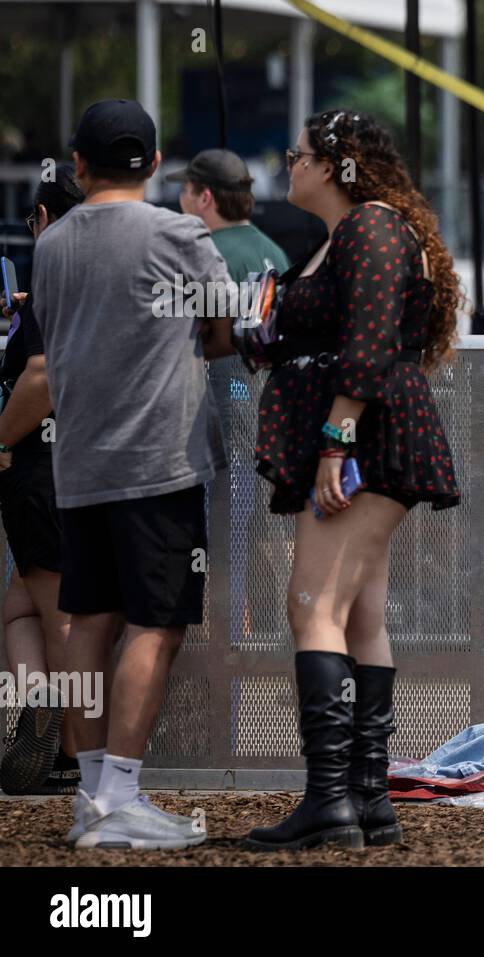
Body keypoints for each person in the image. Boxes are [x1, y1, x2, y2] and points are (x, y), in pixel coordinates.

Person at [242, 109, 461, 851]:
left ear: (335, 164)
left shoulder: (369, 227)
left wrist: (336, 443)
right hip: (369, 437)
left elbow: (367, 346)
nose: (288, 166)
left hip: (361, 441)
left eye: (296, 155)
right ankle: (366, 799)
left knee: (313, 607)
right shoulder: (357, 231)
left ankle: (329, 800)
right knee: (360, 612)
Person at [28, 99, 236, 849]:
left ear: (78, 166)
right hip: (160, 464)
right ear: (152, 165)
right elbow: (222, 331)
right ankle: (118, 799)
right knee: (158, 621)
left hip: (78, 463)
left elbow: (49, 340)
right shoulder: (180, 233)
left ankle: (93, 796)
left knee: (88, 622)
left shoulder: (49, 246)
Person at [167, 148, 290, 643]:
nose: (178, 198)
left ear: (206, 196)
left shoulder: (199, 250)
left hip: (212, 425)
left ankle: (218, 671)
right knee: (250, 555)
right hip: (263, 427)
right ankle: (251, 659)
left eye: (186, 189)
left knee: (217, 559)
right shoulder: (274, 252)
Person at [0, 164, 83, 795]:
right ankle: (38, 711)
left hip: (42, 475)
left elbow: (41, 378)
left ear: (47, 219)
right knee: (19, 608)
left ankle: (71, 748)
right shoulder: (101, 280)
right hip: (91, 472)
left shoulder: (53, 280)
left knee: (60, 619)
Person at [168, 148, 290, 282]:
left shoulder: (203, 256)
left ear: (205, 198)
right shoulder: (276, 254)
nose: (181, 198)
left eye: (185, 190)